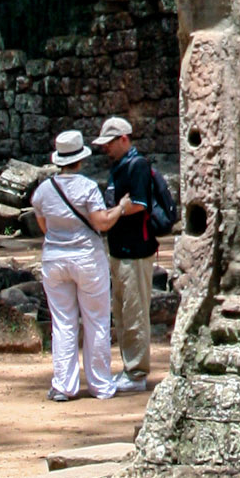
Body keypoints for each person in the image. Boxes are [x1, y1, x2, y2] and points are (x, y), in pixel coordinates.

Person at [30, 131, 146, 402]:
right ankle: (100, 384)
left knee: (63, 322)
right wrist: (120, 208)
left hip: (55, 259)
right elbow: (101, 222)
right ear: (80, 159)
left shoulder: (43, 190)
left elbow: (44, 226)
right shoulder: (86, 187)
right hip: (86, 258)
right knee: (96, 321)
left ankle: (64, 385)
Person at [93, 115, 158, 395]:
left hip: (135, 251)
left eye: (110, 142)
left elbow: (139, 203)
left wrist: (117, 210)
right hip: (119, 250)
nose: (106, 148)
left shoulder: (137, 166)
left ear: (124, 139)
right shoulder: (118, 167)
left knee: (134, 312)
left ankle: (137, 372)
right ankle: (130, 367)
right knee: (121, 312)